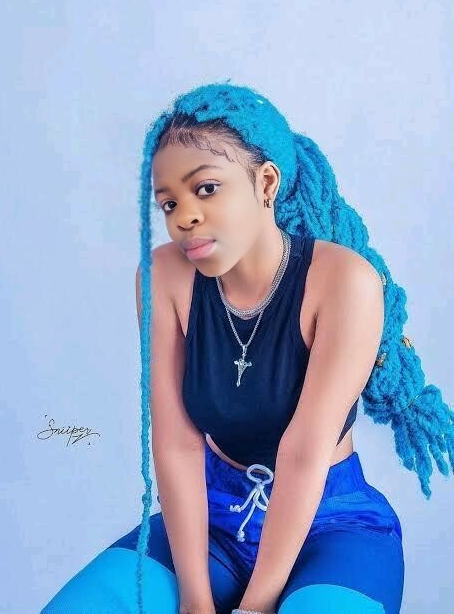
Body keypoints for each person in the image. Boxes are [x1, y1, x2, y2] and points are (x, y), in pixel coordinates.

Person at [41, 81, 454, 614]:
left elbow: (303, 453)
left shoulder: (345, 282)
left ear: (266, 183)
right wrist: (194, 599)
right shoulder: (163, 276)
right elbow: (177, 444)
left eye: (206, 188)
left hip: (331, 523)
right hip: (210, 517)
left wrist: (255, 606)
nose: (184, 215)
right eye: (169, 202)